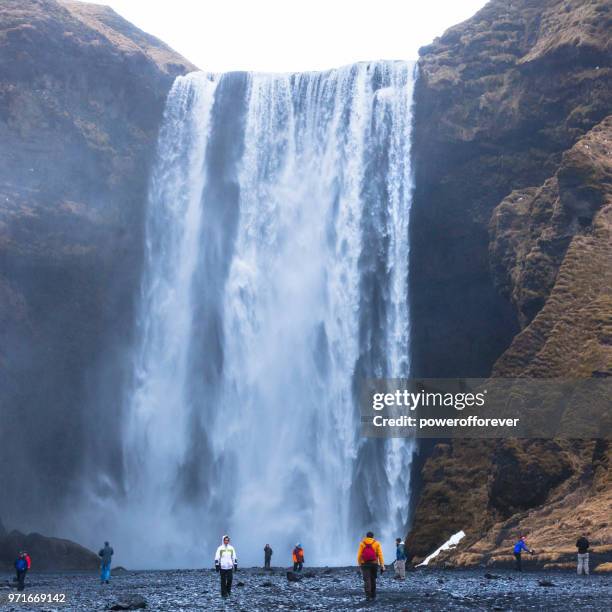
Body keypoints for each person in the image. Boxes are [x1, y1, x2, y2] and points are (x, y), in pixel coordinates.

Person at [357, 531, 385, 601]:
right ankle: (373, 595)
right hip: (374, 564)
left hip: (365, 564)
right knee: (373, 579)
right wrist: (382, 565)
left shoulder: (362, 543)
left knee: (367, 580)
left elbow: (359, 555)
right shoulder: (376, 543)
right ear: (373, 537)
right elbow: (380, 555)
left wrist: (359, 564)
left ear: (366, 536)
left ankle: (367, 595)